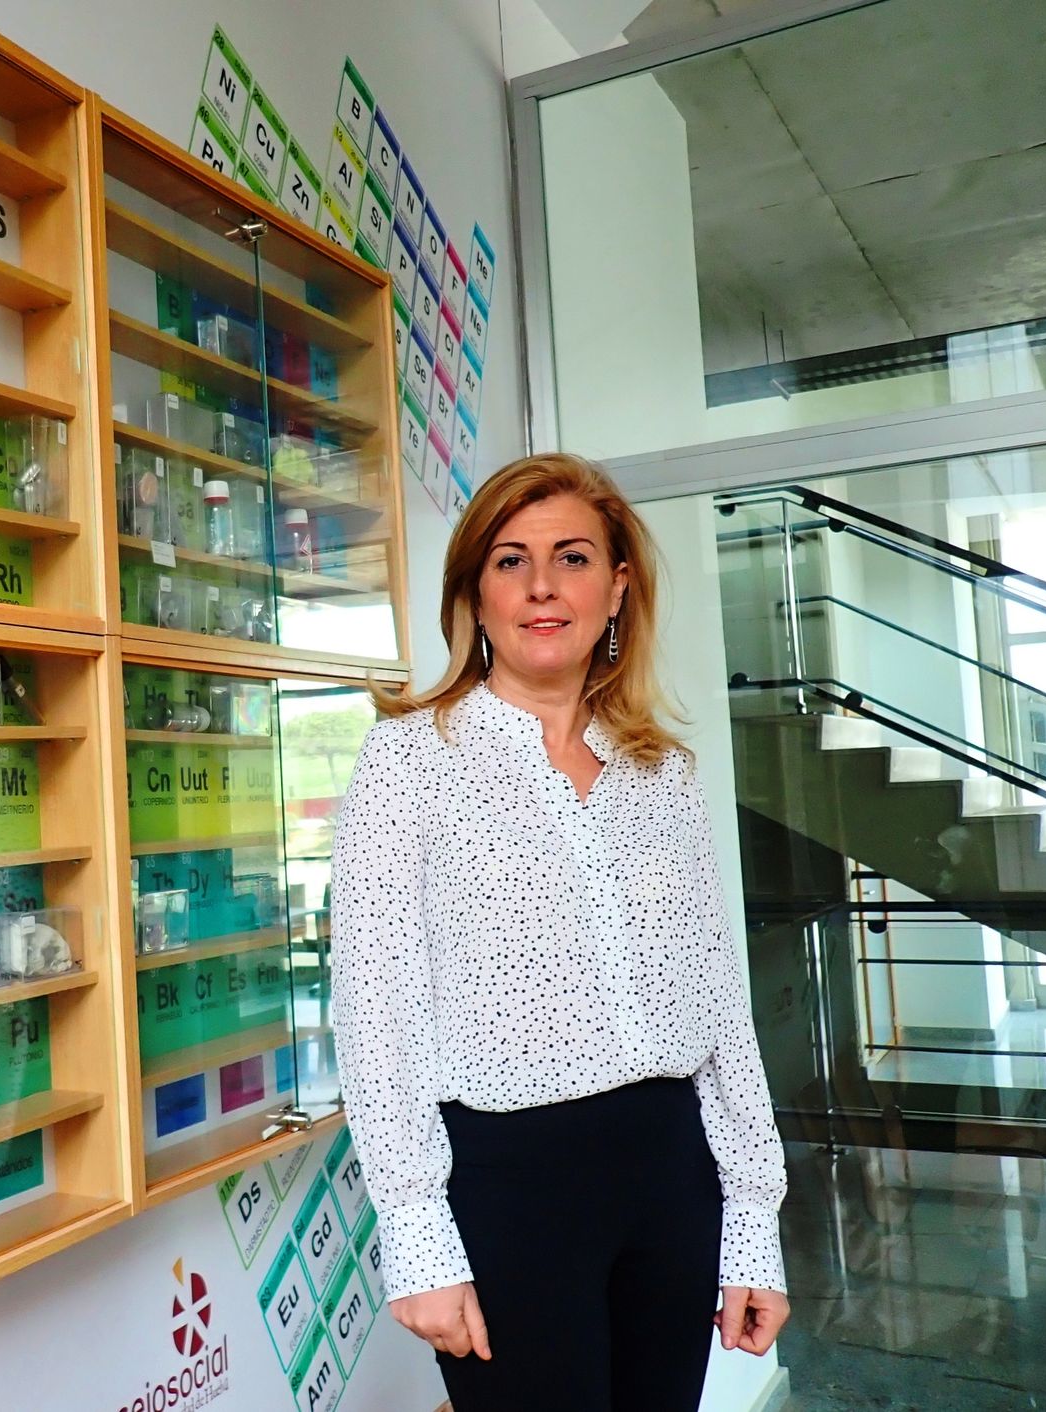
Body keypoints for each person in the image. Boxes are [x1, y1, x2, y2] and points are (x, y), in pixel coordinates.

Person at [330, 454, 789, 1412]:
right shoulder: (409, 760)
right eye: (511, 560)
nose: (542, 585)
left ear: (616, 589)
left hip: (672, 1181)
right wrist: (415, 1234)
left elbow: (718, 1004)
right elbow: (376, 1011)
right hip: (509, 1187)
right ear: (477, 595)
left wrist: (753, 1222)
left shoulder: (665, 775)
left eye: (572, 557)